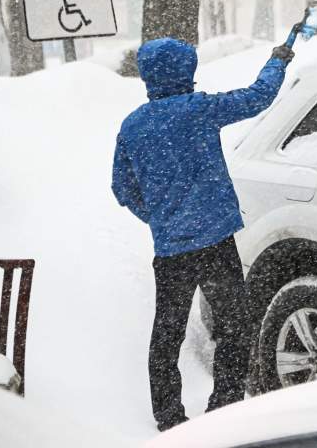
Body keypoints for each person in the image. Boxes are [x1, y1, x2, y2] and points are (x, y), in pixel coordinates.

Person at [111, 37, 295, 431]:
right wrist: (278, 59)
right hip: (214, 243)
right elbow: (258, 96)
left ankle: (169, 419)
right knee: (235, 327)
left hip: (171, 249)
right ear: (185, 72)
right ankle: (224, 408)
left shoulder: (133, 126)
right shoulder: (198, 109)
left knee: (167, 332)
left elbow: (122, 189)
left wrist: (161, 217)